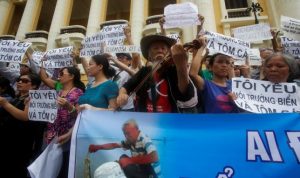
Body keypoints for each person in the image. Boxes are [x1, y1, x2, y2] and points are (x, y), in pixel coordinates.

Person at [117, 34, 198, 113]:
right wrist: (122, 94)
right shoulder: (144, 71)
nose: (160, 50)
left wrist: (181, 66)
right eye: (156, 48)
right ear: (149, 55)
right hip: (146, 120)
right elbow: (126, 87)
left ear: (169, 53)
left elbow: (185, 93)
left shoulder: (172, 70)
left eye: (163, 48)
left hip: (169, 120)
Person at [40, 66, 85, 178]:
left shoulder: (78, 92)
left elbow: (79, 115)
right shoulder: (58, 89)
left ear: (71, 76)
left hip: (66, 133)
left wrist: (68, 106)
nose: (59, 75)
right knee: (51, 164)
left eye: (62, 73)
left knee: (63, 164)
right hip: (52, 131)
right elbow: (44, 79)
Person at [0, 73, 45, 178]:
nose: (20, 82)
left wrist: (5, 104)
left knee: (16, 170)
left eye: (25, 81)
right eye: (19, 80)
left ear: (34, 86)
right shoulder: (17, 97)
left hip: (20, 143)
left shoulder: (36, 99)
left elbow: (25, 117)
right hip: (7, 141)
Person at [89, 119, 161, 178]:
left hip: (152, 173)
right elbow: (114, 145)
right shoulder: (130, 141)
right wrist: (98, 147)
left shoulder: (144, 139)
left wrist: (130, 160)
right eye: (124, 134)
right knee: (123, 157)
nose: (126, 136)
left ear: (136, 130)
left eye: (128, 133)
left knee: (125, 161)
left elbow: (154, 157)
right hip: (141, 169)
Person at [189, 37, 239, 113]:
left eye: (227, 63)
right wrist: (202, 48)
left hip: (235, 124)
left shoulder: (235, 85)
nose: (224, 65)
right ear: (210, 67)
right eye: (220, 62)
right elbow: (193, 73)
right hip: (214, 124)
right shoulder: (206, 85)